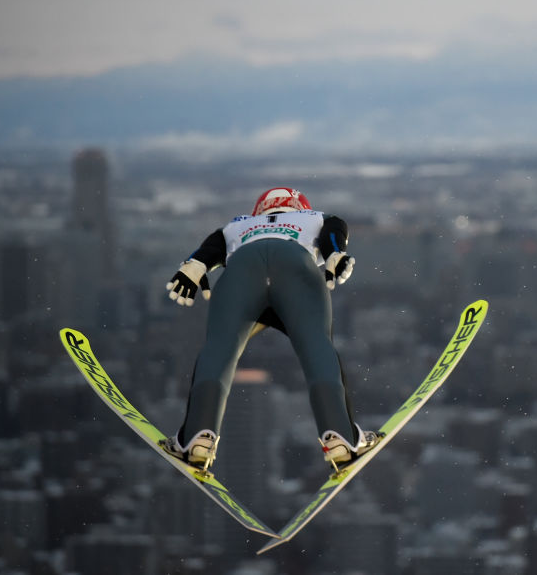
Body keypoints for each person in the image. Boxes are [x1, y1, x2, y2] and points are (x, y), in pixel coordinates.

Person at [161, 187, 377, 471]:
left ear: (260, 209)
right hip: (295, 265)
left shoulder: (238, 224)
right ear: (299, 206)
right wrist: (335, 254)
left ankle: (198, 438)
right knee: (316, 347)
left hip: (242, 270)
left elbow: (209, 251)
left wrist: (194, 265)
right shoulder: (313, 217)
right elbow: (334, 231)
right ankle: (339, 437)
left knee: (219, 350)